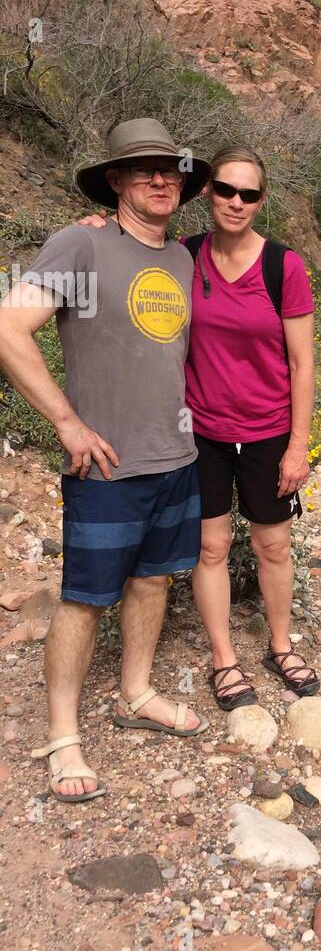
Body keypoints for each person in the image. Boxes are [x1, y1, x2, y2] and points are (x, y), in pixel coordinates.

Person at [0, 119, 211, 803]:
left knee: (153, 582)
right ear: (115, 181)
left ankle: (135, 693)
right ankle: (63, 736)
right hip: (106, 466)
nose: (160, 179)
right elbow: (8, 327)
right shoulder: (80, 246)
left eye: (170, 169)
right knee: (86, 599)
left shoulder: (180, 258)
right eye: (143, 170)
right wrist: (67, 422)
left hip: (174, 456)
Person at [80, 145, 318, 711]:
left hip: (268, 430)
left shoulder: (283, 267)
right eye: (226, 190)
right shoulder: (182, 255)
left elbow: (303, 362)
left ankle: (280, 646)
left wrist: (299, 445)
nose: (237, 202)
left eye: (250, 193)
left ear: (262, 201)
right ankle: (224, 659)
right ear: (208, 193)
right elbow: (126, 251)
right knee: (211, 546)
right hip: (201, 430)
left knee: (273, 543)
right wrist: (95, 228)